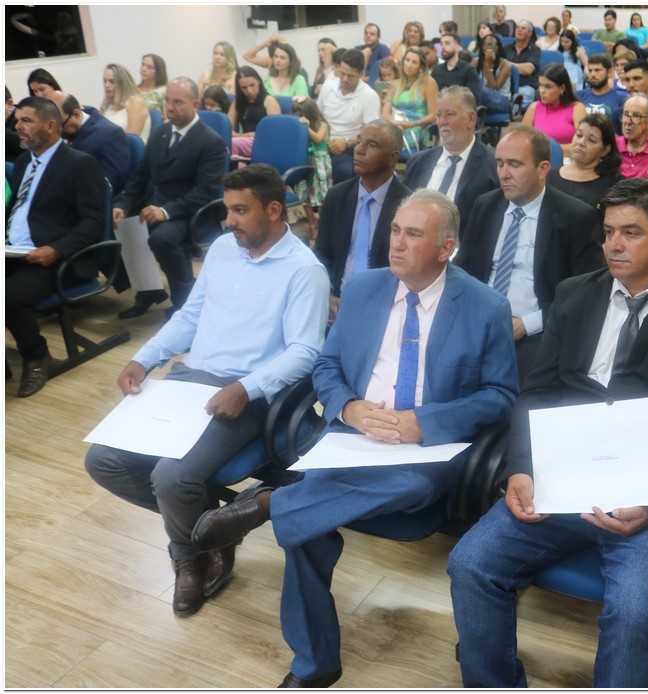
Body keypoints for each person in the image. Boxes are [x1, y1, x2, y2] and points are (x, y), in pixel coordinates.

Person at [191, 189, 519, 688]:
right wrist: (349, 407)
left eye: (413, 234)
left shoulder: (485, 307)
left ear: (445, 248)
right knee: (308, 529)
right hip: (353, 435)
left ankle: (271, 504)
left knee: (405, 486)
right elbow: (327, 365)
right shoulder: (364, 288)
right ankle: (315, 663)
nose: (397, 243)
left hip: (427, 449)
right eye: (395, 230)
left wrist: (424, 422)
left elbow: (500, 396)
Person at [448, 177, 648, 688]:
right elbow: (537, 393)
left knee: (633, 612)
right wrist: (521, 468)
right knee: (470, 563)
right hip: (562, 478)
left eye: (631, 233)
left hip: (646, 494)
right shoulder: (574, 294)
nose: (614, 245)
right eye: (608, 232)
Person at [86, 163, 329, 619]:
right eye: (227, 209)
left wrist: (246, 387)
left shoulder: (304, 271)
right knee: (102, 461)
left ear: (274, 210)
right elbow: (191, 315)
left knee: (172, 478)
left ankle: (187, 556)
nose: (228, 220)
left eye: (240, 211)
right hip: (189, 380)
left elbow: (305, 352)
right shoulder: (222, 249)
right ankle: (213, 529)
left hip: (248, 397)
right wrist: (145, 357)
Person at [454, 124, 604, 380]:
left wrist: (528, 324)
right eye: (500, 163)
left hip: (535, 332)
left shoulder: (575, 217)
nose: (504, 174)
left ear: (543, 169)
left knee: (519, 388)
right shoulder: (485, 205)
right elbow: (462, 268)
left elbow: (588, 293)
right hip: (476, 321)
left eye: (514, 164)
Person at [6, 96, 107, 397]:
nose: (18, 127)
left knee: (8, 298)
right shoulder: (24, 162)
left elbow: (94, 222)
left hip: (58, 258)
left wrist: (57, 249)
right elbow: (17, 211)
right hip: (14, 251)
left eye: (26, 121)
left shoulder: (80, 164)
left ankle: (37, 357)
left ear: (50, 125)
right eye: (17, 121)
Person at [113, 77, 228, 319]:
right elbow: (141, 175)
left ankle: (185, 302)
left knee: (162, 239)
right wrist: (123, 204)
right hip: (154, 204)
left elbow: (204, 192)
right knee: (118, 222)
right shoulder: (160, 133)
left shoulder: (210, 141)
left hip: (189, 212)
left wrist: (165, 212)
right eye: (168, 101)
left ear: (194, 104)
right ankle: (148, 291)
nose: (170, 107)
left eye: (178, 102)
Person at [314, 120, 409, 323]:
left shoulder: (407, 205)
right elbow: (322, 253)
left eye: (371, 145)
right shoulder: (337, 195)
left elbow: (410, 268)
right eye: (358, 142)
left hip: (386, 307)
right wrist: (327, 293)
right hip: (338, 301)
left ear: (393, 157)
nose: (359, 150)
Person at [402, 86, 499, 238]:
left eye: (449, 114)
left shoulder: (493, 165)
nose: (442, 122)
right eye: (438, 115)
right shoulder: (418, 162)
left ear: (471, 119)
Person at [317, 48, 382, 185]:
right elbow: (318, 117)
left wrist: (346, 142)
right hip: (322, 142)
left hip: (350, 147)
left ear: (361, 73)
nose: (345, 79)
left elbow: (371, 133)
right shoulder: (328, 87)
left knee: (343, 170)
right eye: (342, 73)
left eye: (350, 76)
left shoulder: (369, 96)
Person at [50, 92, 132, 195]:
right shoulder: (67, 130)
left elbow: (111, 183)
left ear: (76, 114)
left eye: (62, 126)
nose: (58, 132)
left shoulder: (110, 135)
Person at [546, 112, 624, 209]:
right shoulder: (548, 176)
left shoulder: (616, 184)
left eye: (591, 140)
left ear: (605, 150)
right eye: (579, 135)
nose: (581, 142)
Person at [521, 64, 585, 157]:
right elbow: (522, 142)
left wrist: (545, 148)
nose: (541, 91)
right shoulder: (534, 107)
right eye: (540, 85)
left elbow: (583, 146)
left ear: (562, 88)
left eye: (548, 87)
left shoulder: (577, 108)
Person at [382, 47, 438, 154]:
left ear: (421, 66)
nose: (409, 65)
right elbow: (385, 113)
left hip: (418, 127)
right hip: (396, 126)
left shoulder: (428, 83)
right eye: (407, 60)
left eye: (414, 62)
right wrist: (394, 123)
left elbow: (433, 116)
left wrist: (412, 124)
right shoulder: (394, 84)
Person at [290, 95, 332, 232]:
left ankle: (324, 225)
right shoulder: (298, 127)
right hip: (305, 162)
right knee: (305, 196)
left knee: (321, 197)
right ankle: (312, 224)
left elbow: (318, 139)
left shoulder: (323, 125)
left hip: (319, 165)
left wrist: (306, 127)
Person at [227, 66, 281, 158]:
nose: (249, 90)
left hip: (263, 141)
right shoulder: (237, 102)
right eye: (244, 87)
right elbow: (227, 127)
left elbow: (275, 132)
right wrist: (244, 135)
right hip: (243, 141)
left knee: (233, 144)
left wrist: (239, 136)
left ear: (258, 81)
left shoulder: (269, 101)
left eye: (252, 85)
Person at [100, 63, 151, 144]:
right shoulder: (106, 105)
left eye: (112, 81)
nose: (107, 85)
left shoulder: (135, 102)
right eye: (105, 81)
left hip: (127, 149)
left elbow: (131, 139)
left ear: (122, 83)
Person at [431, 33, 483, 107]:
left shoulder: (468, 70)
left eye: (447, 43)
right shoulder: (436, 70)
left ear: (457, 47)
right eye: (441, 44)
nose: (443, 47)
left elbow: (474, 100)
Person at [503, 19, 541, 108]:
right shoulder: (506, 48)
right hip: (507, 85)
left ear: (530, 33)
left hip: (525, 86)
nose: (519, 30)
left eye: (523, 28)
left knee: (517, 101)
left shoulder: (534, 50)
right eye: (517, 28)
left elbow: (528, 69)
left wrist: (506, 64)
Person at [472, 33, 513, 115]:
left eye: (493, 44)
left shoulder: (505, 65)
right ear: (482, 47)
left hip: (501, 100)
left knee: (479, 90)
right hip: (481, 99)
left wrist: (488, 65)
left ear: (498, 47)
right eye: (487, 44)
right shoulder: (476, 62)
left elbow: (494, 88)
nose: (490, 47)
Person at [576, 53, 626, 119]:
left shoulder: (621, 98)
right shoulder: (578, 96)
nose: (592, 74)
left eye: (597, 70)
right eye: (590, 71)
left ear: (609, 72)